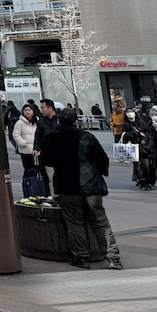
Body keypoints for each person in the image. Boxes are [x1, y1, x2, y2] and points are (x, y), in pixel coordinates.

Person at [39, 107, 123, 270]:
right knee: (100, 222)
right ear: (75, 120)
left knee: (74, 223)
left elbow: (46, 160)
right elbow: (102, 159)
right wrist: (99, 172)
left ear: (59, 120)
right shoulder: (86, 136)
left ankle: (81, 256)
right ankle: (112, 257)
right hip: (91, 184)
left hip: (67, 185)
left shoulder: (52, 138)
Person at [12, 103, 39, 171]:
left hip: (37, 150)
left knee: (38, 169)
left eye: (29, 110)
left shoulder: (37, 122)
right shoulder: (19, 123)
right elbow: (16, 134)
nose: (27, 112)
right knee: (28, 169)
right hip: (25, 150)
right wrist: (23, 143)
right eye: (25, 110)